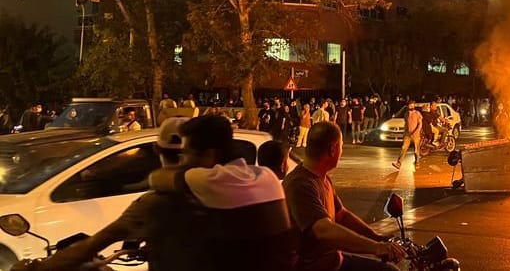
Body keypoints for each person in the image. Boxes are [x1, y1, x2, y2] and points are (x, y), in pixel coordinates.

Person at [8, 117, 192, 271]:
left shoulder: (155, 203)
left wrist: (38, 268)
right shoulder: (215, 192)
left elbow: (93, 245)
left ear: (157, 150)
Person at [148, 115, 296, 270]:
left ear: (209, 154)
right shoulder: (267, 176)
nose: (183, 161)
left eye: (186, 153)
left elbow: (157, 178)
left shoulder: (210, 180)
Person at [283, 122, 405, 271]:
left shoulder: (322, 178)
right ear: (333, 149)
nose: (342, 151)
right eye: (341, 146)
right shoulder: (300, 184)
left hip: (333, 260)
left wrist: (377, 238)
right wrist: (375, 248)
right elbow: (323, 229)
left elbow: (341, 214)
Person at [392, 101, 422, 170]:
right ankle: (398, 163)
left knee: (416, 150)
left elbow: (420, 124)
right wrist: (405, 133)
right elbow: (406, 124)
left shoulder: (417, 113)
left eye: (412, 105)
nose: (411, 106)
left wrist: (417, 131)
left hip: (416, 135)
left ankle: (417, 163)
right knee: (403, 148)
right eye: (409, 105)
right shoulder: (406, 114)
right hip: (407, 134)